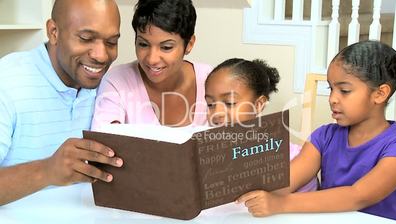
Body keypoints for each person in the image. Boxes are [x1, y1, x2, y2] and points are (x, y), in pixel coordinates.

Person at [236, 41, 396, 221]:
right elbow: (286, 180)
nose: (332, 99)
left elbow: (358, 195)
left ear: (380, 94)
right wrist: (237, 181)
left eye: (344, 91)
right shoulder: (324, 136)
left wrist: (280, 204)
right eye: (331, 88)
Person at [0, 0, 123, 205]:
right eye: (86, 38)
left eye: (111, 42)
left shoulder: (110, 86)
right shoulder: (7, 81)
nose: (101, 56)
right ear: (54, 32)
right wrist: (46, 171)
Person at [91, 0, 212, 130]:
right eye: (143, 44)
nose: (152, 59)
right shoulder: (117, 81)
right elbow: (104, 142)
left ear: (189, 44)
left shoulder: (209, 79)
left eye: (166, 47)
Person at [205, 58, 317, 192]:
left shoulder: (292, 159)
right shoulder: (208, 151)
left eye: (230, 102)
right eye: (210, 104)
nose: (216, 113)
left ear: (258, 105)